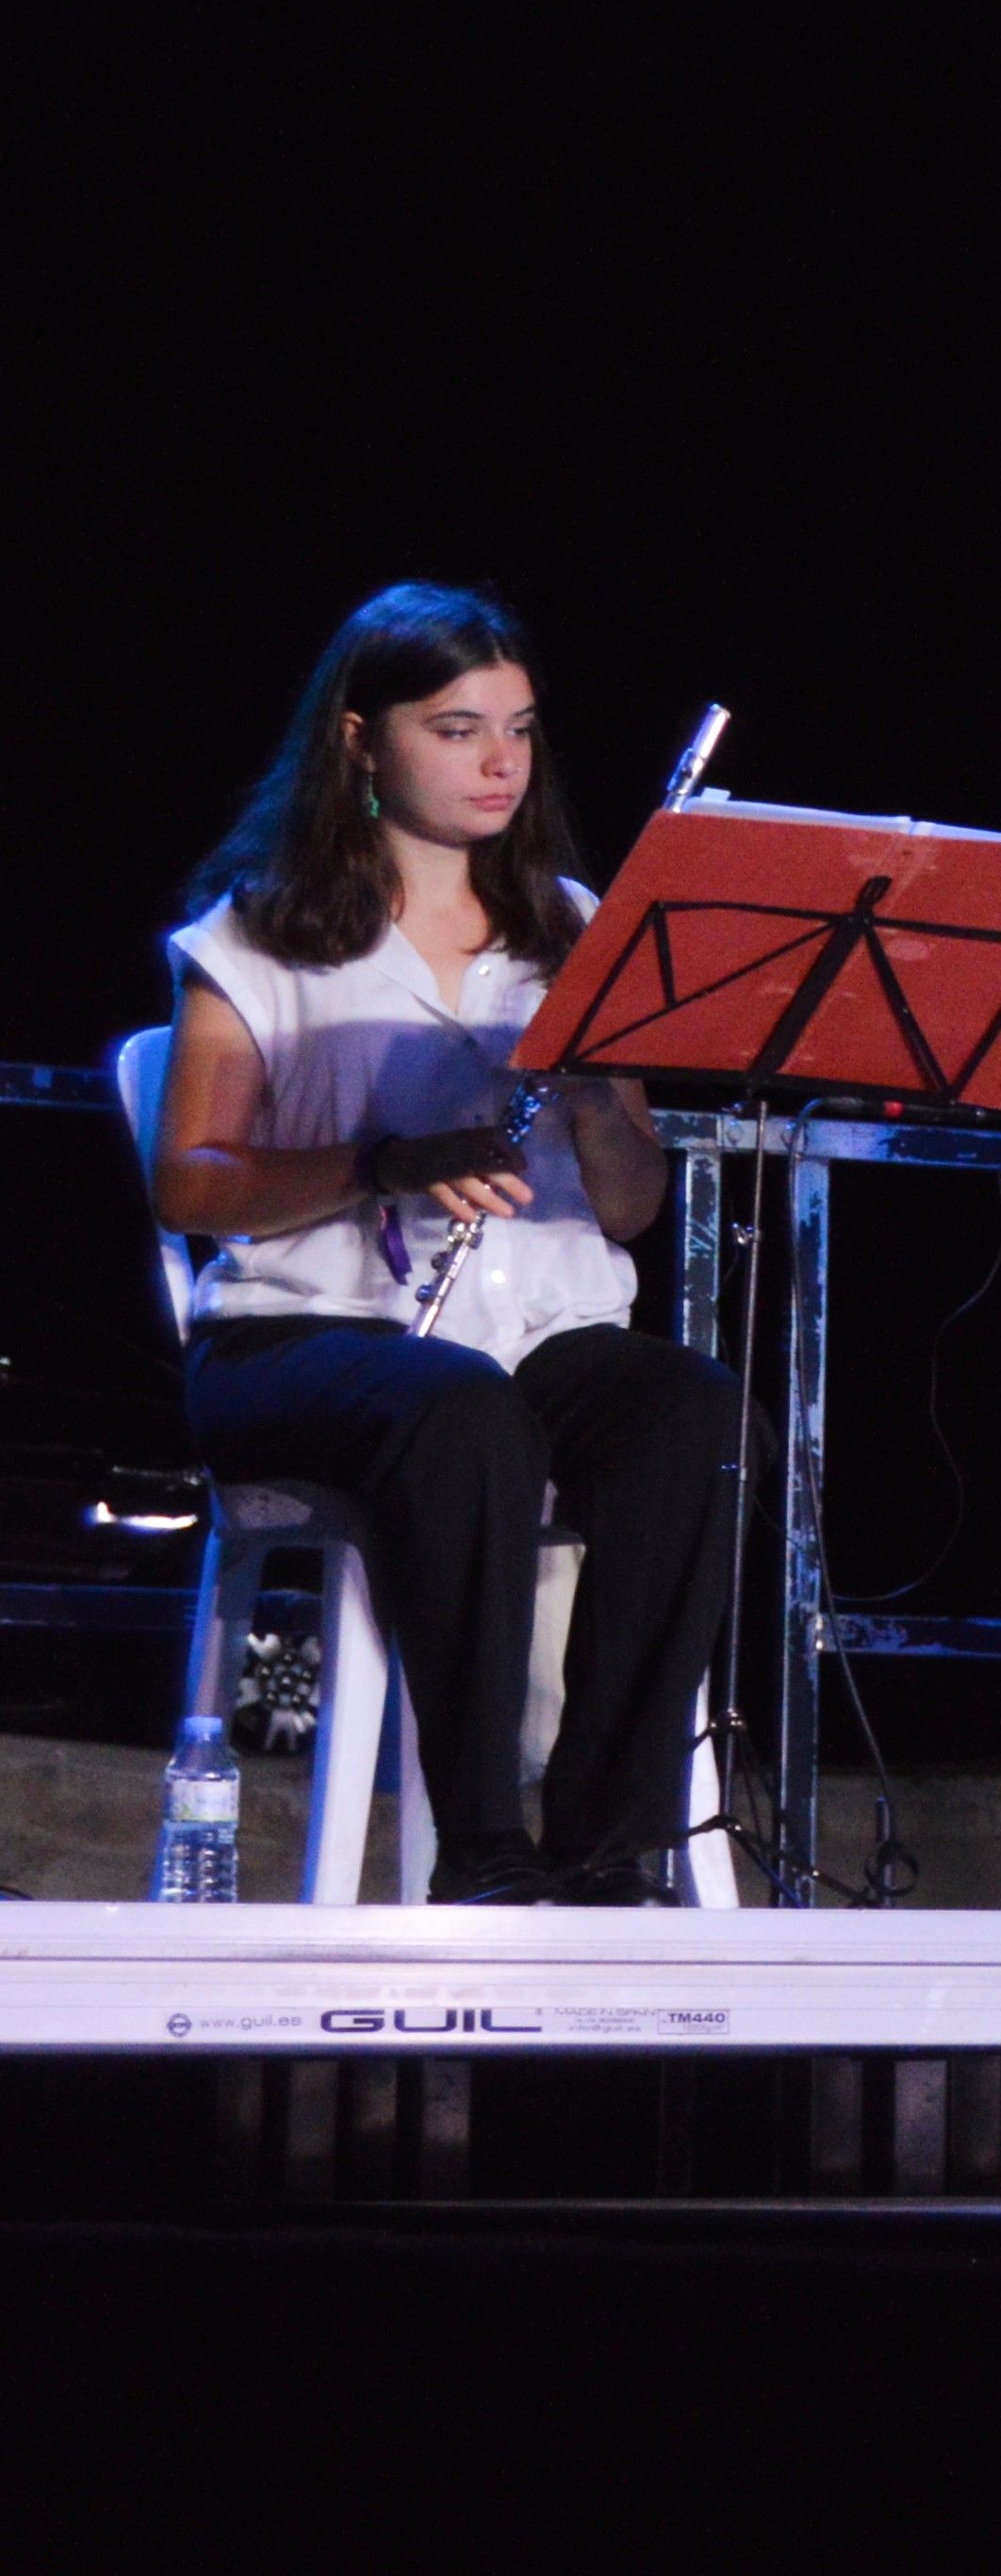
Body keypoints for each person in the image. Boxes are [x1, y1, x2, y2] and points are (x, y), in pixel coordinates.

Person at [148, 583, 740, 1903]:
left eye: (518, 730)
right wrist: (385, 1164)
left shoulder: (576, 926)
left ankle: (605, 1845)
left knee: (682, 1407)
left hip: (523, 1339)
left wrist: (593, 1097)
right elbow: (191, 1182)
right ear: (361, 740)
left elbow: (633, 1206)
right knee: (462, 1414)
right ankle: (483, 1856)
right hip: (299, 1338)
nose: (500, 763)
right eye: (459, 727)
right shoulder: (260, 930)